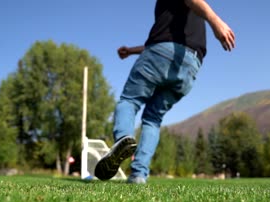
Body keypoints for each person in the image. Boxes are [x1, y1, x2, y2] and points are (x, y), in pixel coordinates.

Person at [95, 0, 235, 184]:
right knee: (153, 119)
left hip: (161, 53)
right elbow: (166, 41)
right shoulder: (187, 15)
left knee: (129, 100)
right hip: (190, 65)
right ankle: (138, 176)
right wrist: (131, 51)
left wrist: (215, 21)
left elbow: (163, 45)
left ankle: (123, 140)